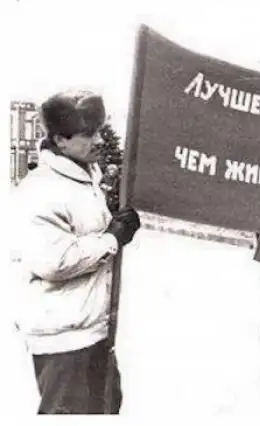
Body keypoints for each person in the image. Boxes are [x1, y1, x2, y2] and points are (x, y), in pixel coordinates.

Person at [14, 90, 141, 414]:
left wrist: (118, 224)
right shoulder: (42, 187)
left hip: (93, 330)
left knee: (106, 407)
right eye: (88, 134)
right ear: (60, 140)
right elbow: (53, 261)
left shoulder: (84, 180)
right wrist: (112, 238)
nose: (99, 140)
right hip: (64, 340)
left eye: (99, 130)